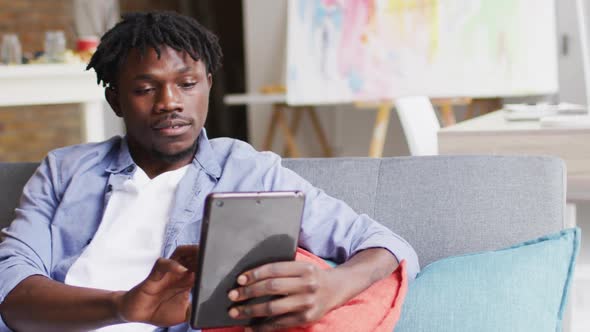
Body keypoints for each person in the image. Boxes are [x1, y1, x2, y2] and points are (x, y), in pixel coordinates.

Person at [0, 11, 419, 332]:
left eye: (187, 84)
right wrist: (121, 306)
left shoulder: (249, 170)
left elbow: (385, 243)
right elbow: (11, 289)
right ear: (115, 100)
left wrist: (332, 288)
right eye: (145, 89)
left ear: (207, 86)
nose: (170, 102)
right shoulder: (64, 170)